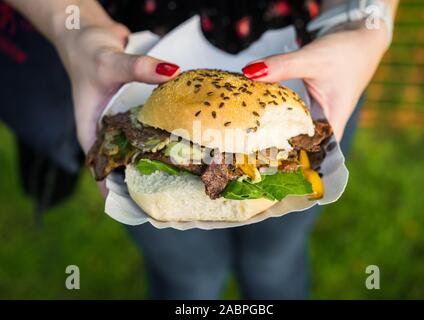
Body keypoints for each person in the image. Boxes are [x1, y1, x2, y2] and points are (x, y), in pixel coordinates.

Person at [1, 0, 398, 299]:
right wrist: (77, 27)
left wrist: (365, 23)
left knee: (275, 263)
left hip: (313, 75)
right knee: (189, 278)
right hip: (129, 68)